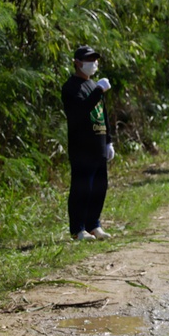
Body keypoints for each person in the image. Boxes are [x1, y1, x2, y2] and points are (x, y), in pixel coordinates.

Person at [62, 45, 114, 241]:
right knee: (81, 188)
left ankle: (94, 224)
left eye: (95, 60)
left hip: (98, 145)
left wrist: (109, 142)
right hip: (81, 147)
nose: (93, 64)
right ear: (77, 63)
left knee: (99, 187)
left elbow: (104, 115)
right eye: (88, 60)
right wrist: (99, 89)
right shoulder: (71, 88)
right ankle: (78, 229)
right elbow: (81, 111)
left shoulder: (94, 86)